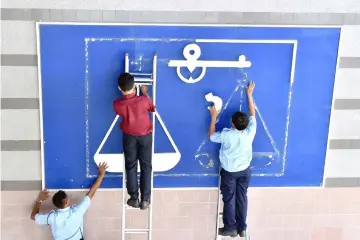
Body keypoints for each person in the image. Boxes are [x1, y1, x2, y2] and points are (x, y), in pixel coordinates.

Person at [208, 81, 256, 238]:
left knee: (229, 199)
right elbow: (252, 113)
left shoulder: (227, 134)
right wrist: (249, 94)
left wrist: (213, 117)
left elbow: (211, 137)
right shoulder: (250, 132)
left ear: (232, 123)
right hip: (244, 171)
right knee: (242, 198)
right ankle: (242, 228)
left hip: (229, 173)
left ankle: (230, 228)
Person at [30, 162, 108, 240]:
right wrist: (101, 175)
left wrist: (39, 200)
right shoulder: (77, 211)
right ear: (67, 202)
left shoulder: (52, 217)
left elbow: (33, 216)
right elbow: (91, 193)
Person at [113, 73, 155, 210]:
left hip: (129, 137)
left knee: (131, 166)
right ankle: (146, 200)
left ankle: (134, 198)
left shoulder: (117, 104)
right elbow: (152, 108)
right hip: (146, 136)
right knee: (146, 167)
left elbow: (122, 111)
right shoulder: (143, 100)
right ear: (134, 86)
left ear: (119, 88)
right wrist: (145, 93)